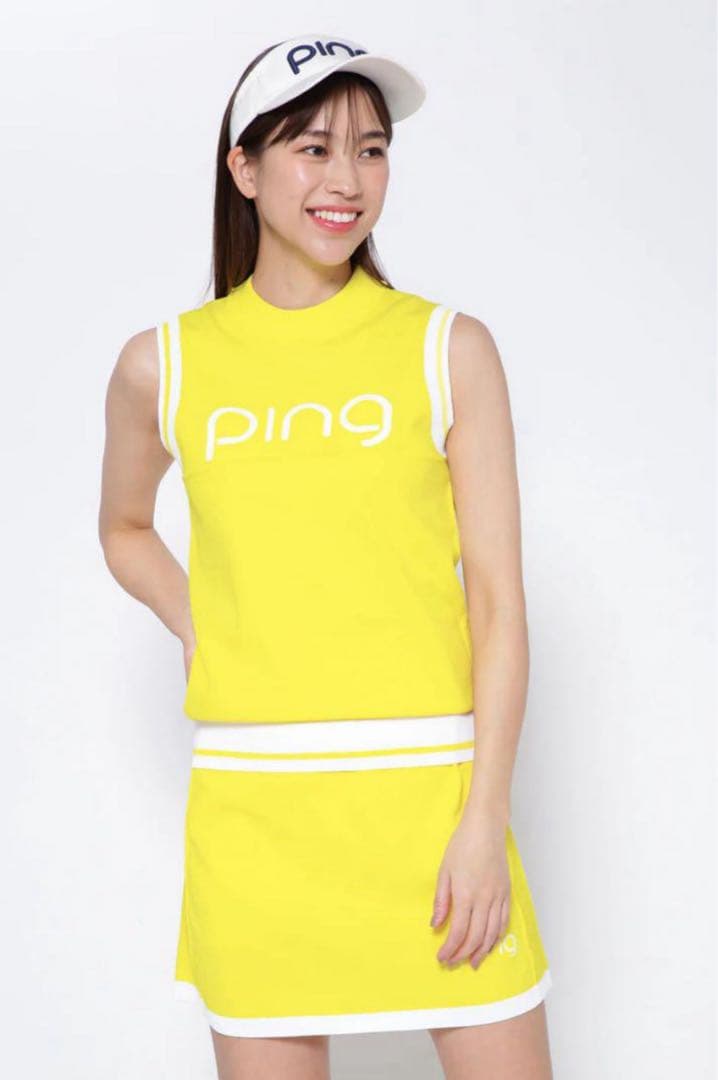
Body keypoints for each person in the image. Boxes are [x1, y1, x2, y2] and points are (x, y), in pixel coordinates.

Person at [98, 31, 555, 1080]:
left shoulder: (447, 348)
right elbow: (123, 527)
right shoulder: (163, 365)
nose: (346, 180)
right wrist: (197, 616)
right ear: (245, 169)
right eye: (312, 148)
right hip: (256, 818)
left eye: (371, 150)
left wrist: (484, 818)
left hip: (432, 809)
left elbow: (497, 602)